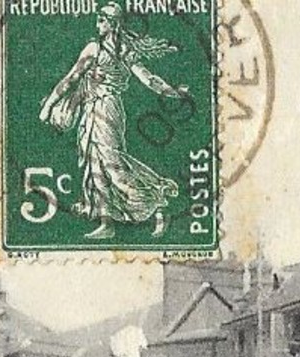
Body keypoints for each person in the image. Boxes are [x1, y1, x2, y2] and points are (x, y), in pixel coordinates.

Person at [36, 2, 188, 239]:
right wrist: (49, 104)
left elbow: (148, 78)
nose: (98, 24)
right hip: (93, 108)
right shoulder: (101, 49)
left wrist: (174, 92)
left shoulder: (113, 50)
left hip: (107, 109)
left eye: (102, 20)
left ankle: (157, 203)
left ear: (113, 23)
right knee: (94, 161)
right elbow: (71, 79)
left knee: (111, 163)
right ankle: (107, 223)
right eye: (98, 19)